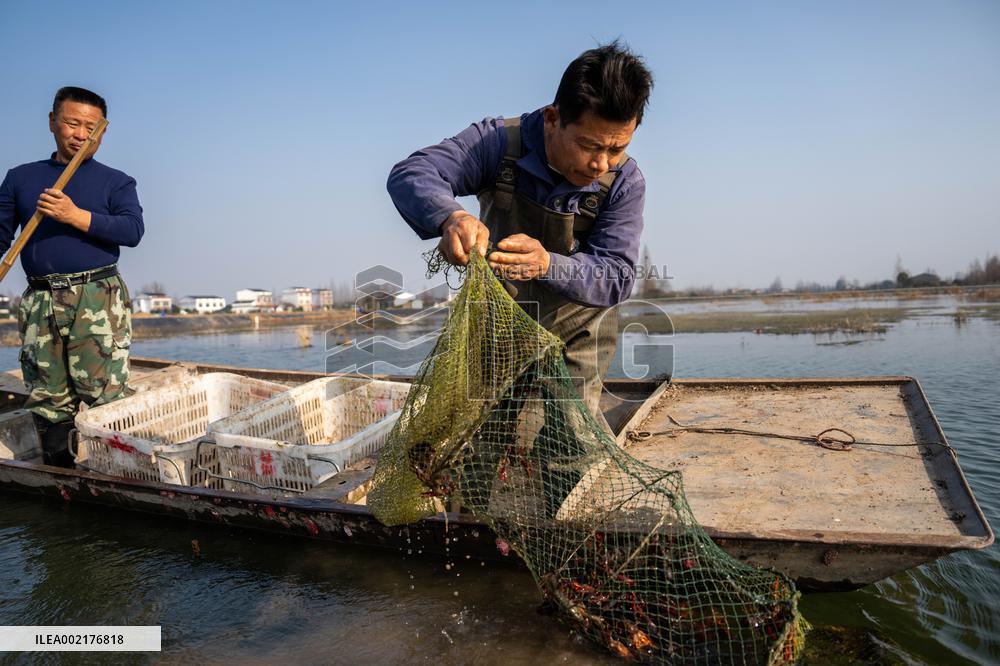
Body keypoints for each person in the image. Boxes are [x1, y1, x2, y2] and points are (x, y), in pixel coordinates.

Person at [387, 42, 653, 431]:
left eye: (617, 148)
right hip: (498, 319)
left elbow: (617, 275)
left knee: (570, 437)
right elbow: (413, 173)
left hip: (578, 327)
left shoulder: (625, 181)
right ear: (552, 119)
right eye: (589, 146)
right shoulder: (497, 143)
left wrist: (547, 264)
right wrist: (451, 217)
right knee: (479, 437)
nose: (600, 164)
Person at [0, 86, 144, 466]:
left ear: (102, 132)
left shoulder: (117, 181)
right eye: (72, 123)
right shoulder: (21, 178)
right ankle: (61, 476)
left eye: (91, 128)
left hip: (97, 296)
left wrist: (73, 215)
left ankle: (114, 475)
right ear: (52, 122)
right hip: (41, 299)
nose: (81, 135)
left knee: (105, 395)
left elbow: (132, 230)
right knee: (47, 398)